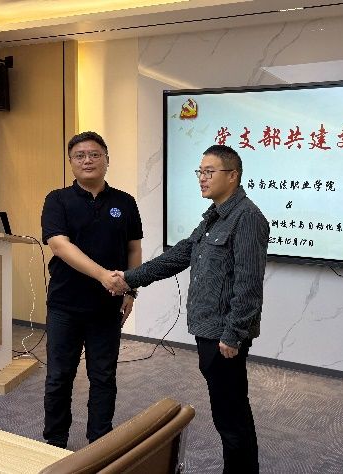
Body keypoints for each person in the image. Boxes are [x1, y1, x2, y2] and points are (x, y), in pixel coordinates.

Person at [114, 144, 269, 473]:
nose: (202, 178)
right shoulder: (214, 217)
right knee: (227, 411)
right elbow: (178, 256)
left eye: (209, 172)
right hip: (208, 329)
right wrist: (128, 278)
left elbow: (249, 284)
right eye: (200, 171)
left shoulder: (247, 218)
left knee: (231, 416)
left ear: (233, 175)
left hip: (224, 336)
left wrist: (233, 334)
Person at [41, 131, 143, 448]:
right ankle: (54, 442)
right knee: (59, 377)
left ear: (107, 160)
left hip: (107, 307)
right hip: (65, 305)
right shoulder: (57, 200)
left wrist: (131, 290)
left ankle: (100, 443)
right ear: (71, 162)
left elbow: (134, 249)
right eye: (80, 155)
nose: (88, 160)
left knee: (103, 377)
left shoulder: (125, 202)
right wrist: (102, 275)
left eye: (95, 154)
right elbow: (59, 245)